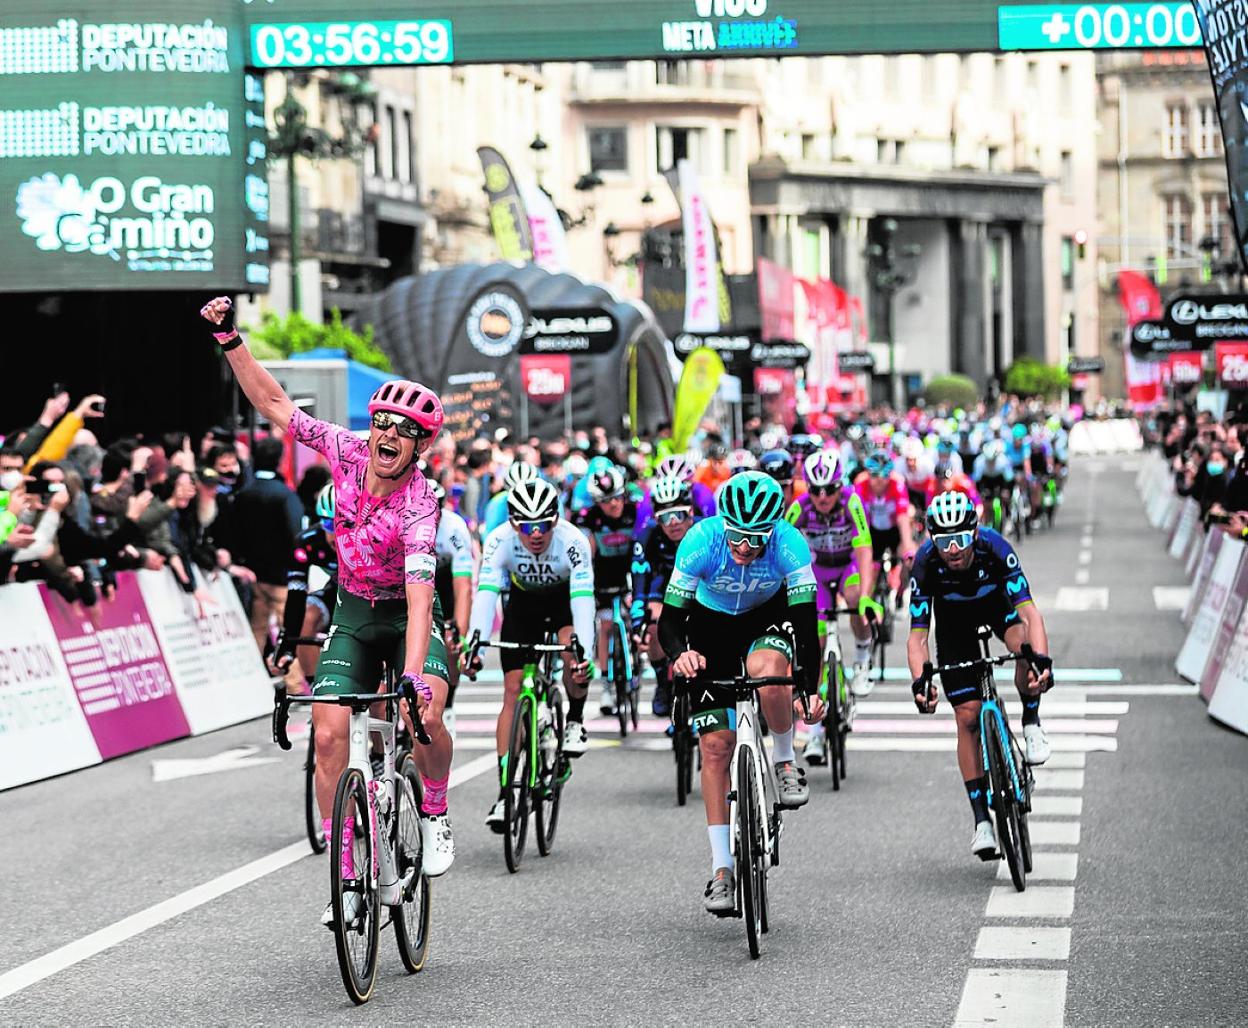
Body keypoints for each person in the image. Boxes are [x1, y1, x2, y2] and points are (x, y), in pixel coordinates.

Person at [199, 295, 455, 928]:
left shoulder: (421, 505)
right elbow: (275, 403)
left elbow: (421, 596)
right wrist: (231, 340)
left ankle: (435, 808)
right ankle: (345, 873)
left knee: (424, 713)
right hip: (356, 613)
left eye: (405, 430)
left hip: (408, 617)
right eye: (383, 423)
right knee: (328, 733)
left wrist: (415, 676)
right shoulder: (345, 450)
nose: (388, 436)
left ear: (421, 445)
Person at [658, 471, 824, 914]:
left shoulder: (789, 544)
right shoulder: (700, 541)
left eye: (756, 538)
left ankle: (785, 760)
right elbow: (670, 621)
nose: (746, 547)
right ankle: (721, 870)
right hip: (710, 629)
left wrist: (809, 689)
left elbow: (806, 626)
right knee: (715, 748)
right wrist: (679, 655)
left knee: (767, 670)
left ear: (773, 529)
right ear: (723, 524)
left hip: (765, 619)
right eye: (737, 536)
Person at [907, 491, 1054, 861]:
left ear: (974, 532)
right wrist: (921, 682)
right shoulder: (925, 563)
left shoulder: (995, 548)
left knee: (1024, 647)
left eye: (960, 538)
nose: (953, 549)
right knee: (967, 716)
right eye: (944, 541)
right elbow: (918, 635)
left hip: (997, 609)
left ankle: (1031, 721)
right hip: (954, 625)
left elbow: (1030, 614)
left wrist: (1041, 662)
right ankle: (982, 822)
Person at [463, 477, 595, 832]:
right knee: (512, 691)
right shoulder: (499, 541)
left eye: (543, 525)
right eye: (525, 526)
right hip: (524, 608)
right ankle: (505, 794)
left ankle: (575, 720)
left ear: (556, 520)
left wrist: (584, 653)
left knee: (574, 658)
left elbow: (583, 601)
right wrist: (474, 645)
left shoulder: (573, 542)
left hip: (564, 603)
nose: (535, 534)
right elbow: (486, 594)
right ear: (512, 524)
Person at [786, 450, 877, 728]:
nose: (822, 497)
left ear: (840, 486)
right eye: (815, 490)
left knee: (855, 597)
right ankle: (815, 727)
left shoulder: (852, 502)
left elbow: (864, 549)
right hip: (818, 572)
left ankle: (862, 659)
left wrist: (865, 597)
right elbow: (779, 545)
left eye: (829, 489)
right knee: (815, 640)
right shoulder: (800, 507)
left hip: (847, 566)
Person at [572, 465, 640, 716]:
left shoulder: (635, 511)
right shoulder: (588, 518)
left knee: (635, 616)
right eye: (606, 501)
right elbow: (585, 554)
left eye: (617, 498)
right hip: (602, 575)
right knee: (606, 626)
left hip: (630, 570)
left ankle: (635, 657)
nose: (613, 504)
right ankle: (606, 686)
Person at [224, 435, 305, 649]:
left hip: (252, 575)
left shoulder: (242, 495)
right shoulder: (285, 495)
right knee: (290, 634)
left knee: (256, 629)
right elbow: (296, 535)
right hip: (282, 577)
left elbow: (234, 534)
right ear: (280, 460)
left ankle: (255, 669)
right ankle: (292, 672)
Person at [630, 475, 700, 717]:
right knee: (653, 622)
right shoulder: (647, 537)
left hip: (701, 588)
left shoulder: (705, 531)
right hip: (664, 588)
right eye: (664, 517)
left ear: (690, 512)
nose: (672, 523)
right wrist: (638, 624)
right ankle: (663, 681)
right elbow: (640, 583)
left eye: (678, 514)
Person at [273, 484, 340, 692]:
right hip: (336, 589)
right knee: (307, 617)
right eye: (328, 524)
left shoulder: (370, 537)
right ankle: (318, 690)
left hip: (370, 594)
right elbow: (296, 594)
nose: (335, 534)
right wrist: (288, 643)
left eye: (342, 524)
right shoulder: (308, 541)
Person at [430, 479, 475, 734]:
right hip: (412, 583)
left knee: (451, 643)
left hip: (445, 586)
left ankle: (448, 705)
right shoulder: (402, 522)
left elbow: (463, 586)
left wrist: (460, 632)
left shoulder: (454, 528)